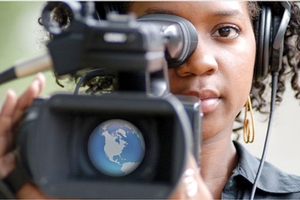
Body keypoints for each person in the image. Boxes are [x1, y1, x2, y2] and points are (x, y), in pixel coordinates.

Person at [1, 1, 300, 199]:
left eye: (225, 31)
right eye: (161, 33)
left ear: (264, 48)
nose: (199, 62)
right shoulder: (51, 186)